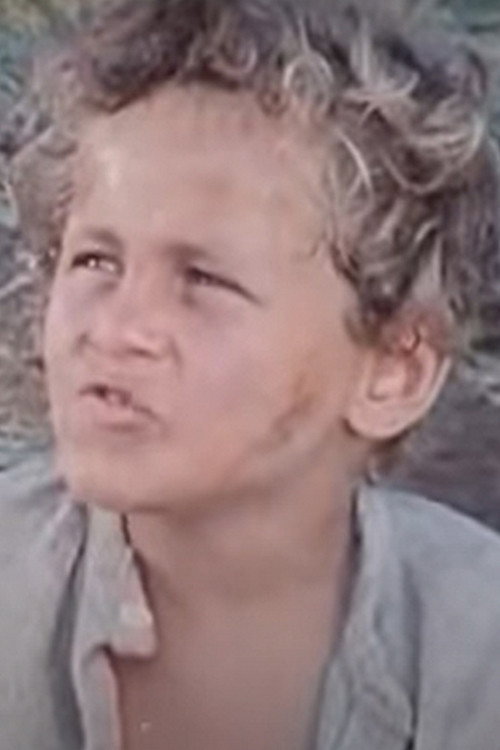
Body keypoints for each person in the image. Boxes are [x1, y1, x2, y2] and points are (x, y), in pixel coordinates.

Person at [2, 0, 500, 748]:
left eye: (204, 279)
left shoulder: (476, 657)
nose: (114, 329)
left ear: (393, 370)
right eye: (96, 260)